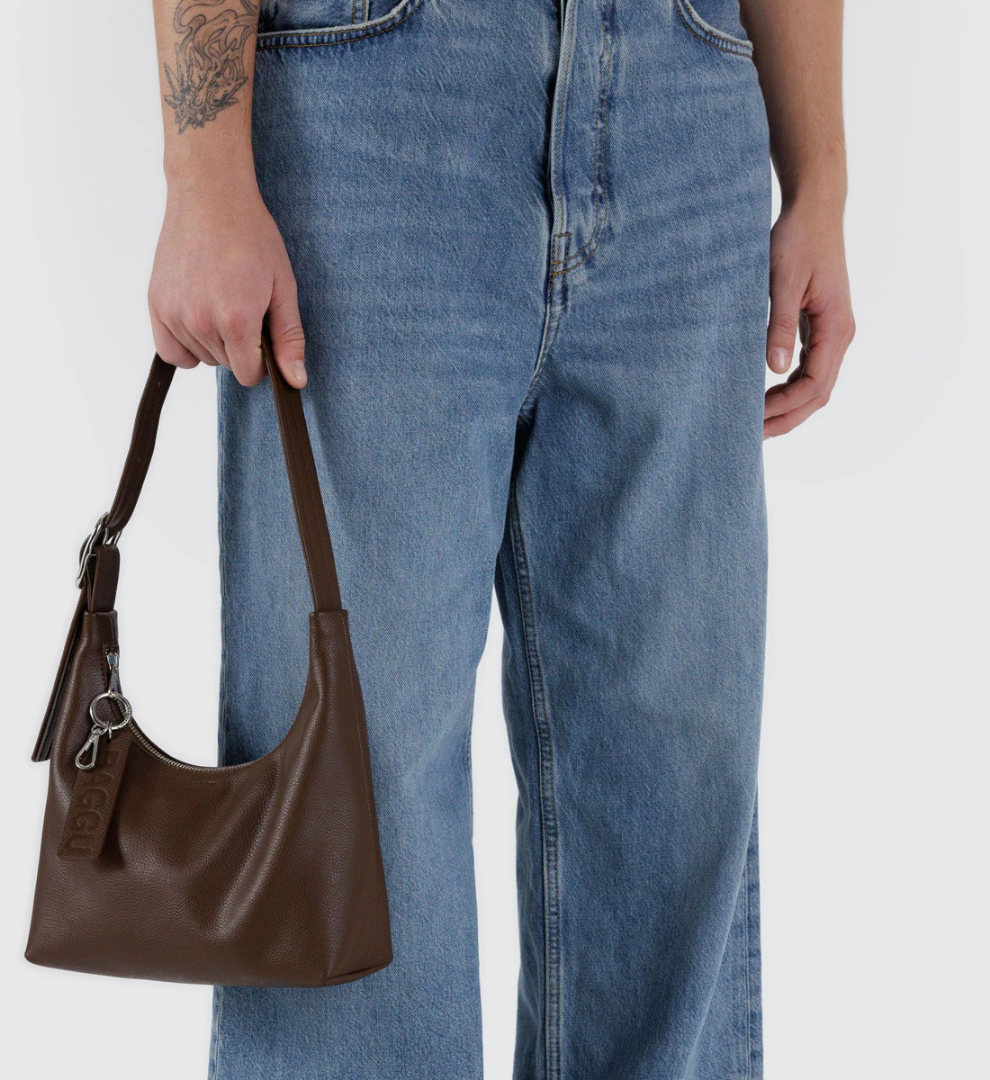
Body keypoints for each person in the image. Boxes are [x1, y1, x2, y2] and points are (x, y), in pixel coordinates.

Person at [148, 0, 855, 1076]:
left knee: (671, 758)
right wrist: (204, 173)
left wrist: (820, 184)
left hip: (690, 94)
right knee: (350, 768)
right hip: (375, 98)